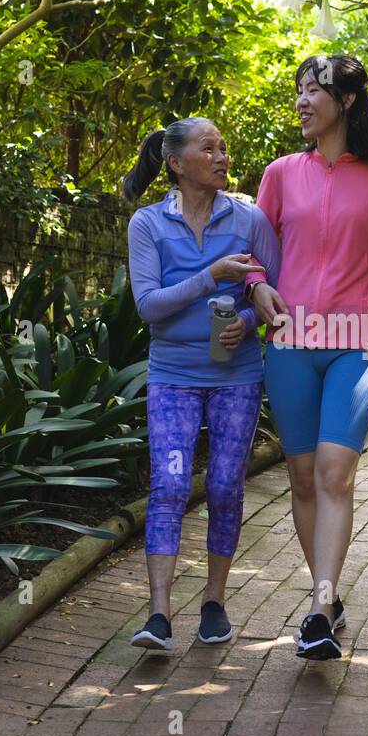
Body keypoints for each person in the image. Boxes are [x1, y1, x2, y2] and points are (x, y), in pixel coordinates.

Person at [245, 54, 368, 661]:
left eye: (313, 90)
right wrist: (257, 286)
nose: (301, 101)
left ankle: (318, 608)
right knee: (301, 477)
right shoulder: (281, 173)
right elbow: (256, 252)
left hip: (352, 344)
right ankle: (328, 597)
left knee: (336, 473)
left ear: (345, 101)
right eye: (298, 91)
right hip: (289, 344)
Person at [123, 118, 280, 650]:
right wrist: (211, 276)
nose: (222, 157)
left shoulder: (250, 218)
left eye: (224, 148)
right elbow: (148, 306)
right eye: (208, 148)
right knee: (168, 487)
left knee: (224, 488)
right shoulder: (148, 224)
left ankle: (214, 601)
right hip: (173, 377)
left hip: (236, 377)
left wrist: (251, 321)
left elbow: (273, 289)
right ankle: (159, 615)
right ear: (175, 163)